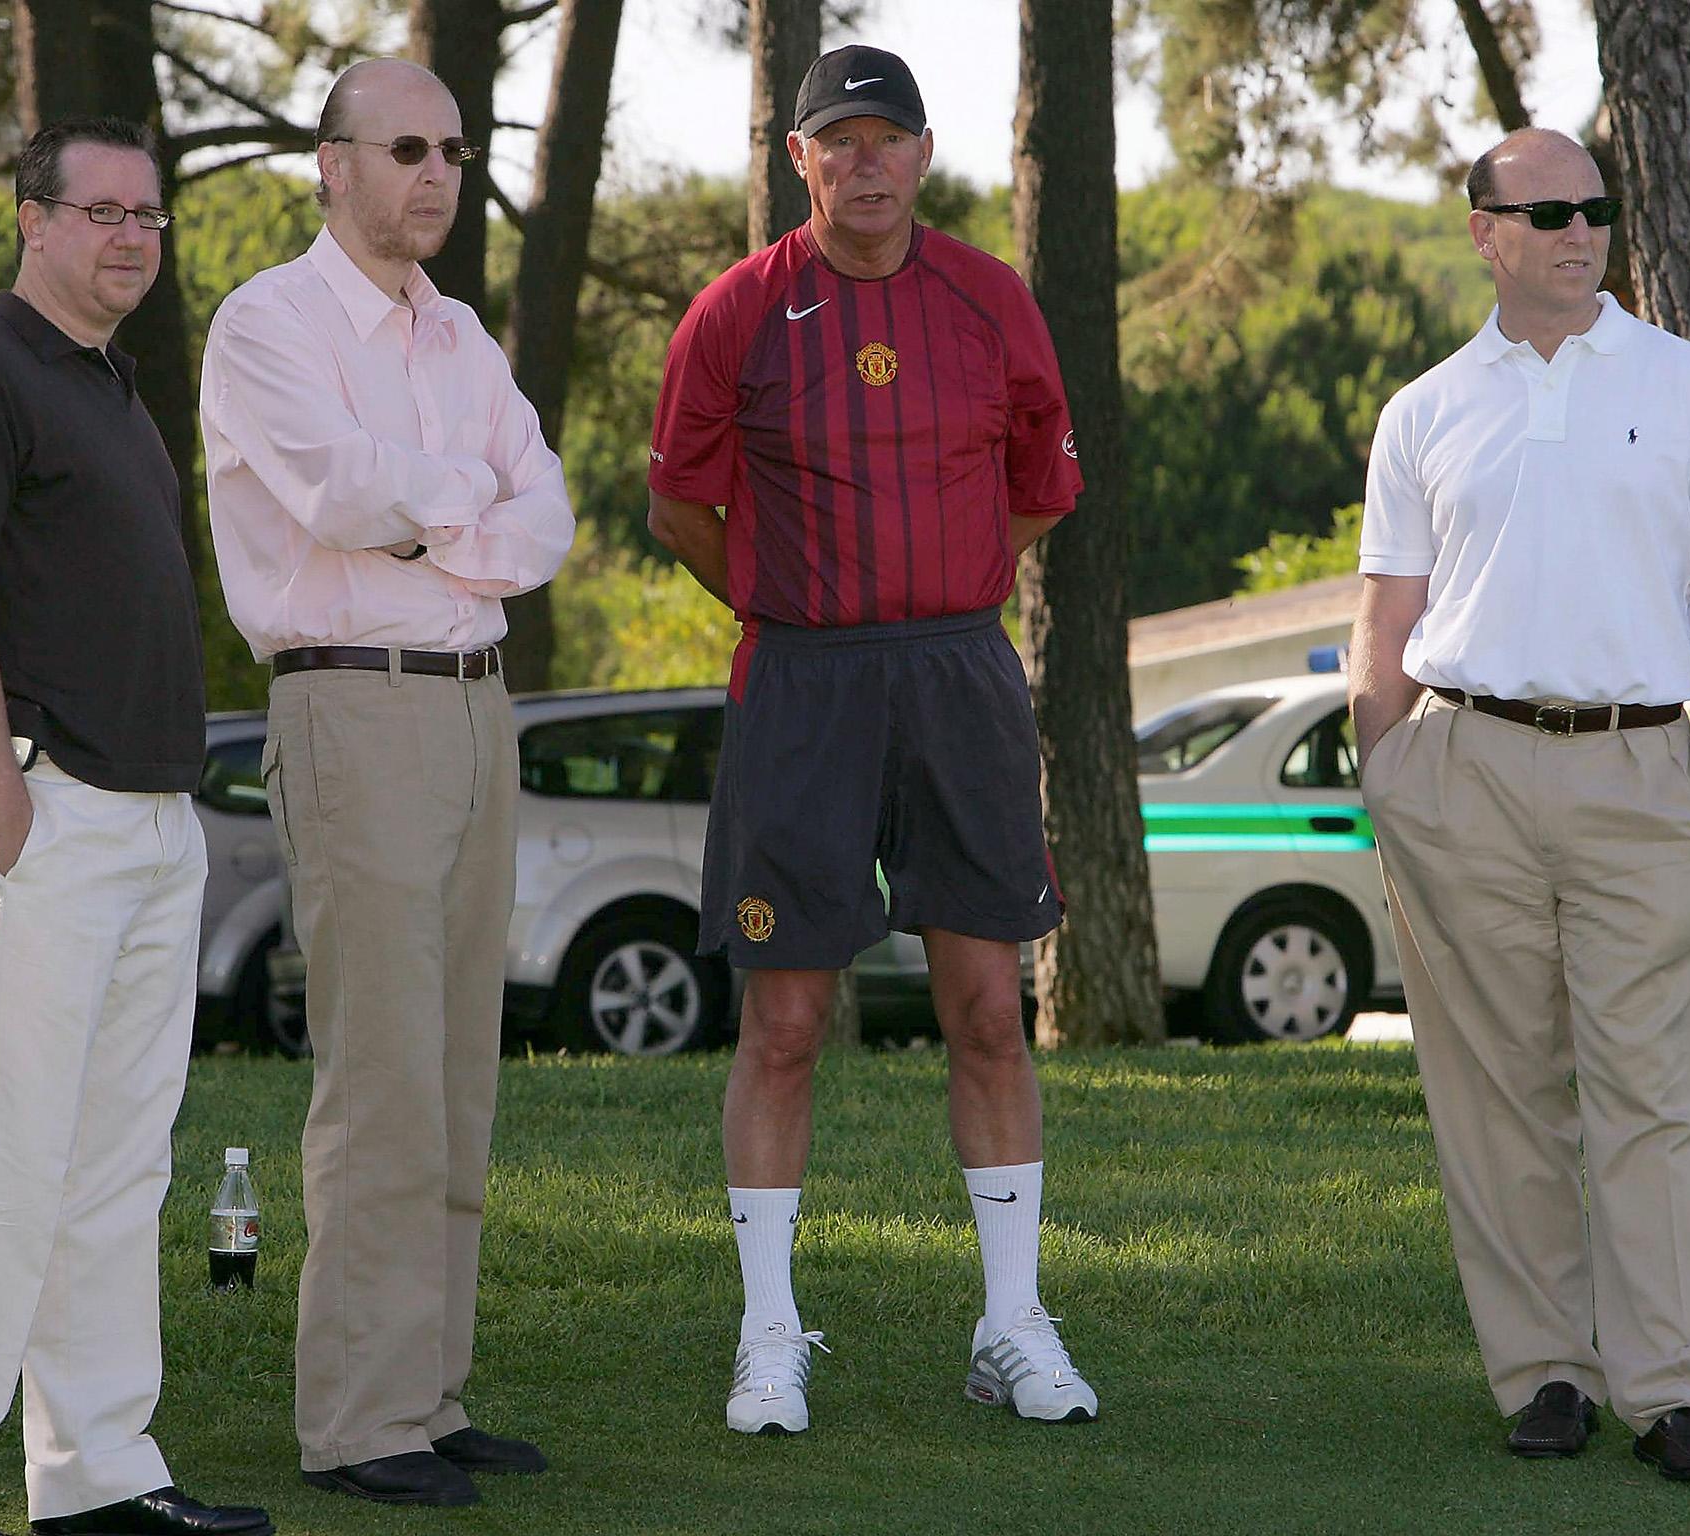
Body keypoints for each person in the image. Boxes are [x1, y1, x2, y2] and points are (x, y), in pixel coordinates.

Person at [647, 44, 1097, 1437]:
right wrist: (798, 610)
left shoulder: (990, 300)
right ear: (800, 162)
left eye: (886, 137)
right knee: (785, 1022)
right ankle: (768, 1333)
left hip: (958, 676)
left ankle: (1012, 1323)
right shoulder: (734, 313)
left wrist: (940, 590)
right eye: (836, 140)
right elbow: (680, 510)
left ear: (921, 151)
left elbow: (1039, 490)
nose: (864, 162)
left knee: (986, 1013)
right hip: (804, 685)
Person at [0, 118, 270, 1536]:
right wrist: (14, 802)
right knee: (5, 1153)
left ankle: (96, 1475)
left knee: (116, 1163)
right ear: (29, 220)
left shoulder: (113, 389)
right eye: (98, 213)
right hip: (46, 812)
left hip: (151, 819)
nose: (128, 239)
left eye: (149, 217)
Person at [1349, 127, 1690, 1485]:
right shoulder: (1423, 410)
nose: (1577, 232)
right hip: (1463, 775)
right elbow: (1387, 617)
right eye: (1543, 215)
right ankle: (1543, 1373)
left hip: (1647, 772)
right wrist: (1388, 764)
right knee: (1499, 1093)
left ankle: (1677, 1392)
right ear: (1482, 231)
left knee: (1664, 1093)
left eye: (1594, 209)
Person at [200, 59, 573, 1508]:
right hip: (352, 710)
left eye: (457, 152)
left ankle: (428, 1395)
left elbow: (539, 519)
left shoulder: (462, 333)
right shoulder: (264, 324)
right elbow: (342, 498)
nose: (437, 174)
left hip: (482, 713)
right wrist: (446, 498)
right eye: (407, 147)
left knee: (458, 1071)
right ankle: (357, 1421)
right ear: (329, 165)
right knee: (379, 1077)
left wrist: (439, 518)